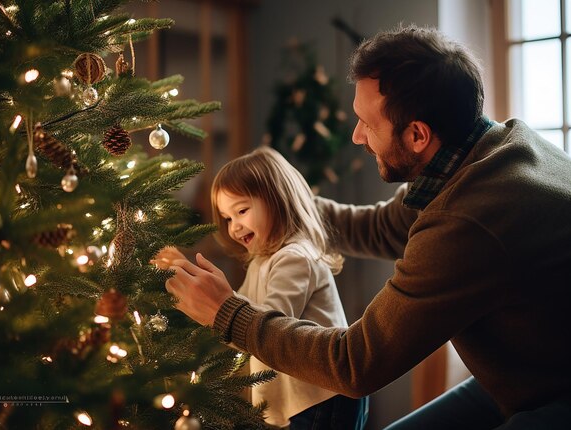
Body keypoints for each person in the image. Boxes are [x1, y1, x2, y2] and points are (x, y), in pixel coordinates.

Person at [163, 24, 571, 429]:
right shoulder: (490, 149)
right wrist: (281, 202)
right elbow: (382, 227)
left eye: (367, 124)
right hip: (519, 379)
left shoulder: (469, 220)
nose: (357, 136)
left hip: (553, 396)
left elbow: (355, 362)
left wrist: (225, 313)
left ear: (416, 135)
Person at [156, 146, 368, 429]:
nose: (234, 227)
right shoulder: (262, 262)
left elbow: (267, 322)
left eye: (241, 210)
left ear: (277, 201)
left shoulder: (294, 258)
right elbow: (240, 315)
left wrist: (194, 277)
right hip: (302, 400)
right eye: (228, 218)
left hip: (322, 397)